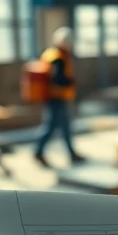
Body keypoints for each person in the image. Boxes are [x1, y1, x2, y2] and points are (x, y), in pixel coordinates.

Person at [34, 26, 84, 167]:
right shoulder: (58, 58)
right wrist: (71, 81)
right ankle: (38, 152)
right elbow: (57, 79)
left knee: (65, 127)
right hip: (56, 98)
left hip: (55, 97)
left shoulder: (51, 54)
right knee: (50, 127)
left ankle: (71, 153)